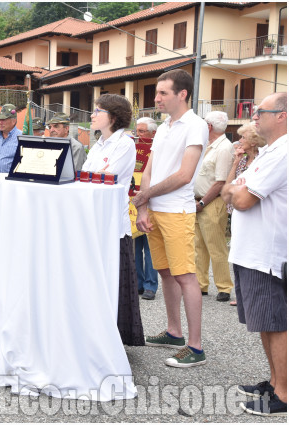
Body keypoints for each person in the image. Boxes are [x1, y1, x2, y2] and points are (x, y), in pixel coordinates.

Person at [133, 69, 208, 368]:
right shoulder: (164, 126)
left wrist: (143, 197)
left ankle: (196, 347)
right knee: (165, 272)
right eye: (157, 92)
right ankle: (174, 332)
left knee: (185, 276)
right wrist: (142, 206)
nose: (157, 98)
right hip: (155, 209)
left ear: (183, 94)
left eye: (163, 92)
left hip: (177, 210)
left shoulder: (196, 125)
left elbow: (184, 175)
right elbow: (149, 168)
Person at [221, 92, 287, 417]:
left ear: (283, 116)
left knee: (275, 323)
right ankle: (276, 382)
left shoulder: (283, 152)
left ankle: (284, 393)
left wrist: (236, 192)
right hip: (250, 253)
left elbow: (243, 200)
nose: (254, 115)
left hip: (268, 254)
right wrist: (236, 191)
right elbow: (228, 192)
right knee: (264, 321)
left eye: (261, 111)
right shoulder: (268, 152)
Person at [81, 94, 144, 346]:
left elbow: (106, 176)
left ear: (114, 117)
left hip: (112, 224)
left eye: (98, 111)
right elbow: (84, 175)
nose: (92, 115)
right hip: (92, 220)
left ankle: (116, 339)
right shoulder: (98, 144)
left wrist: (87, 176)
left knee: (115, 282)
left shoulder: (124, 143)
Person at [194, 111, 235, 301]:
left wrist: (202, 203)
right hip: (198, 201)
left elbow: (220, 181)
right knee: (198, 246)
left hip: (210, 202)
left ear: (209, 126)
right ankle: (200, 284)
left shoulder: (224, 148)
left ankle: (224, 287)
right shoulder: (209, 145)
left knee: (216, 246)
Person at [225, 123, 266, 307]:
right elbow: (228, 185)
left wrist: (235, 188)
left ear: (253, 141)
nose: (239, 141)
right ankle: (240, 294)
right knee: (237, 248)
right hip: (235, 209)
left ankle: (248, 295)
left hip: (251, 210)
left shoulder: (262, 160)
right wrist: (235, 162)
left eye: (243, 138)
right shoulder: (242, 160)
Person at [134, 117, 159, 300]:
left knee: (150, 247)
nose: (138, 135)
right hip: (132, 201)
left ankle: (151, 285)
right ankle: (137, 283)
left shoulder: (159, 150)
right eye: (137, 131)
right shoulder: (132, 148)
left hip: (153, 201)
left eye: (142, 131)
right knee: (135, 245)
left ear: (153, 133)